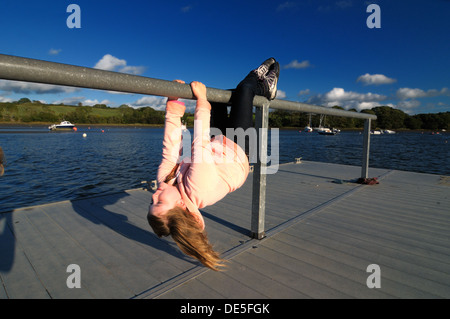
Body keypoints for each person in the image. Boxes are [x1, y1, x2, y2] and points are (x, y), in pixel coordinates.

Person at [147, 58, 280, 270]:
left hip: (216, 146)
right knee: (245, 90)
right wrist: (200, 102)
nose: (153, 196)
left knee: (219, 97)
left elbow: (170, 145)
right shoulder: (199, 190)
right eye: (159, 203)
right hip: (238, 153)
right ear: (181, 206)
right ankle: (266, 83)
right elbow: (198, 146)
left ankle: (262, 89)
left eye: (151, 203)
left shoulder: (165, 179)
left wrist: (173, 103)